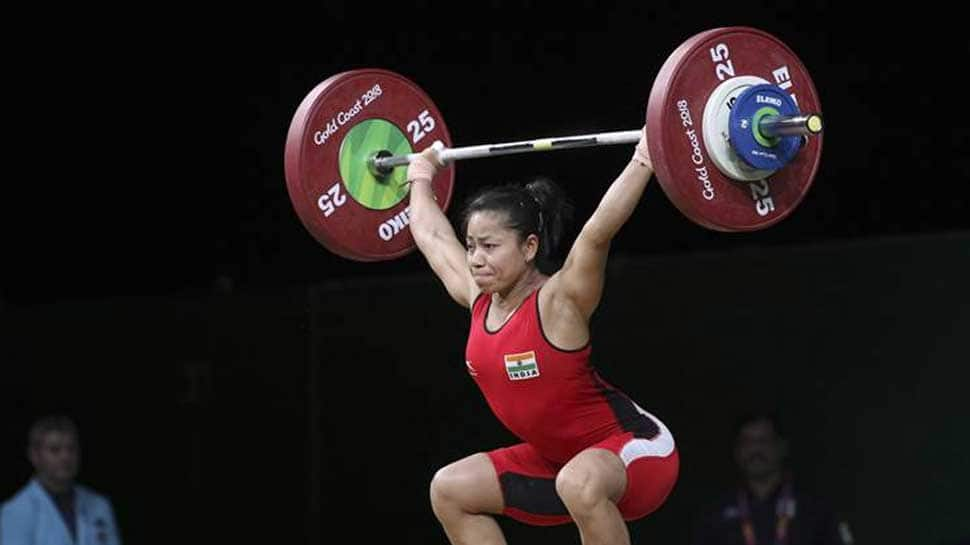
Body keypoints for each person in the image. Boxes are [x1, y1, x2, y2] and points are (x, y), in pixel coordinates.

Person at [406, 127, 678, 545]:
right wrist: (421, 175)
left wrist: (646, 156)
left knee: (577, 482)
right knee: (449, 489)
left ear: (529, 247)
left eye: (490, 246)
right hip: (557, 464)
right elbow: (431, 235)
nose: (475, 259)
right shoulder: (478, 297)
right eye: (472, 246)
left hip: (636, 453)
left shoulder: (559, 302)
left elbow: (597, 233)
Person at [690, 411, 854, 545]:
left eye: (763, 441)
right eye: (748, 442)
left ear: (782, 447)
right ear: (736, 450)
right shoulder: (715, 514)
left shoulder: (816, 510)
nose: (756, 450)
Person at [1, 415, 122, 545]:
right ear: (34, 455)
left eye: (71, 449)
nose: (65, 457)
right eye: (55, 450)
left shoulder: (99, 505)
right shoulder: (16, 512)